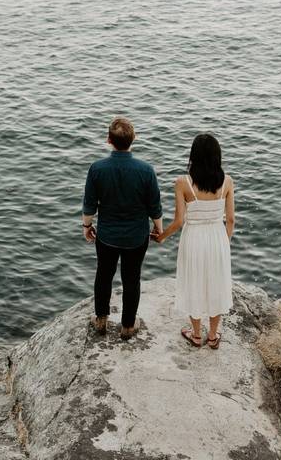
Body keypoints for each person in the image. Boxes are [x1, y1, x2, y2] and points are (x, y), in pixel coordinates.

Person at [82, 116, 163, 340]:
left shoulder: (97, 168)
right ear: (133, 139)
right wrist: (159, 230)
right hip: (136, 237)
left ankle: (101, 320)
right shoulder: (146, 170)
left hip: (107, 235)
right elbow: (154, 207)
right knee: (132, 278)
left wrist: (86, 226)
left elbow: (89, 205)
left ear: (109, 140)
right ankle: (128, 326)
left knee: (103, 275)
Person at [154, 133, 235, 349]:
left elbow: (179, 221)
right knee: (216, 282)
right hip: (218, 238)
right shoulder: (227, 181)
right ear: (217, 156)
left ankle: (197, 334)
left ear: (193, 156)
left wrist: (161, 237)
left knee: (194, 281)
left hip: (194, 238)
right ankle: (213, 335)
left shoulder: (183, 183)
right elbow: (232, 219)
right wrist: (223, 242)